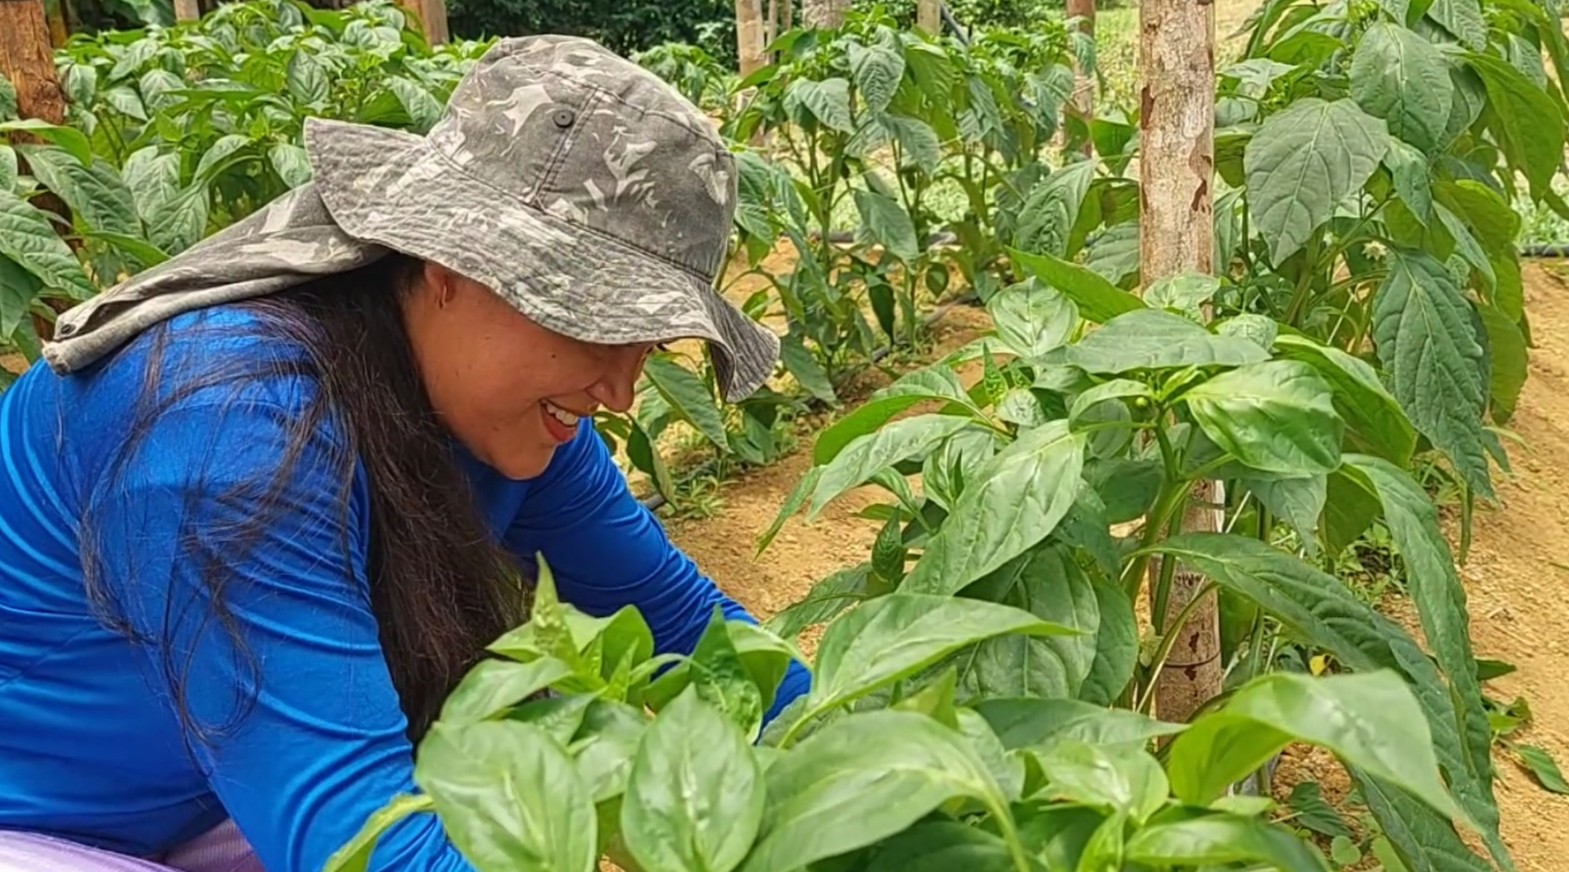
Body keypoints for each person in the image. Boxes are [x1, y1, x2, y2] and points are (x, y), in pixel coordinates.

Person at [0, 34, 811, 872]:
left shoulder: (497, 407)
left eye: (645, 341)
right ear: (445, 260)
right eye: (589, 319)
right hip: (38, 827)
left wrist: (872, 760)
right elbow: (362, 846)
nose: (619, 392)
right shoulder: (227, 427)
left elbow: (683, 626)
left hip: (216, 789)